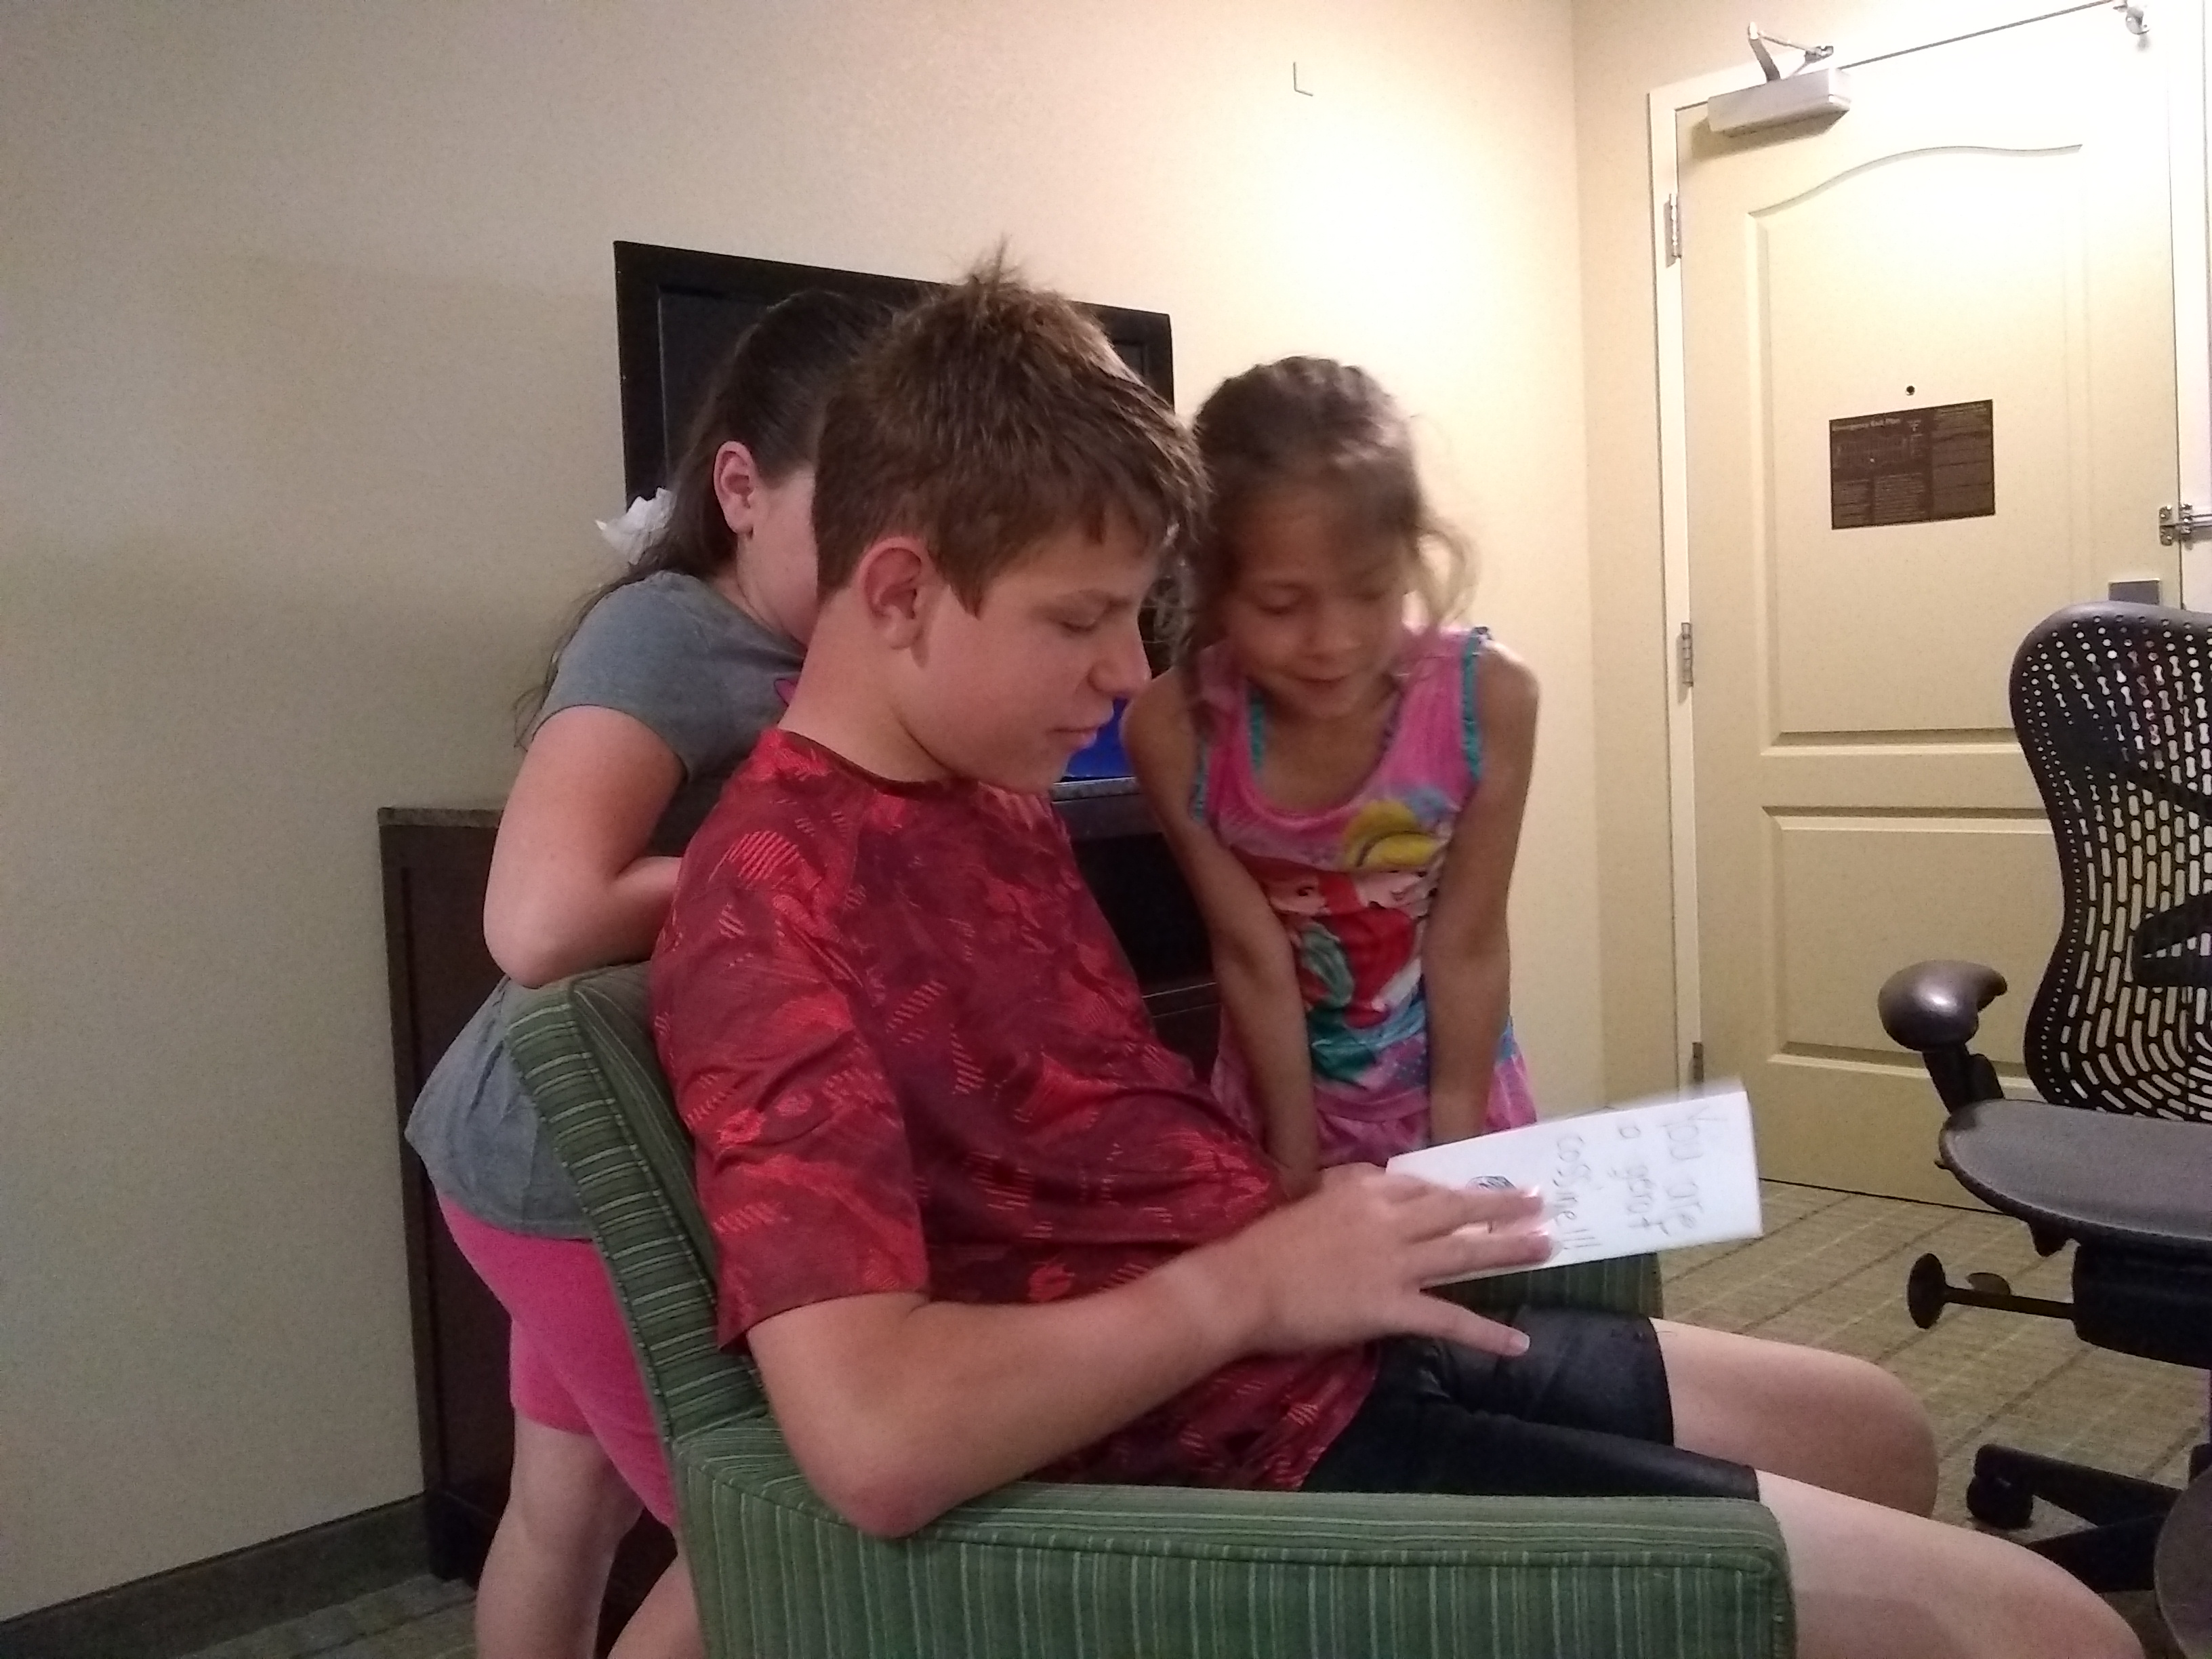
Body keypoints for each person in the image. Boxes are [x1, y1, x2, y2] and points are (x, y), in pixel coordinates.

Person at [650, 264, 2139, 1659]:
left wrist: (1307, 1235)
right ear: (899, 592)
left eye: (1134, 618)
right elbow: (874, 1438)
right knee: (2047, 1630)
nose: (1124, 673)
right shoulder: (768, 904)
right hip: (1246, 1453)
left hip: (1328, 1325)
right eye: (1080, 621)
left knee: (1877, 1430)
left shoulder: (981, 792)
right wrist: (1251, 1283)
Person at [404, 289, 888, 1659]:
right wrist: (797, 873)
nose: (884, 571)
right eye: (850, 522)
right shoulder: (673, 633)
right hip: (568, 1166)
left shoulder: (816, 651)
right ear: (739, 488)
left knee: (571, 1511)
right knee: (764, 1541)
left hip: (593, 1149)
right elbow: (538, 916)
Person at [1126, 357, 1535, 1195]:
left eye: (1371, 593)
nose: (1333, 642)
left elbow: (1469, 942)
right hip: (1279, 1109)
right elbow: (1251, 956)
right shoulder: (1174, 732)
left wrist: (1455, 1155)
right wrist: (1294, 1170)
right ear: (1213, 586)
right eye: (1282, 606)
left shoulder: (1490, 700)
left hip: (1452, 1097)